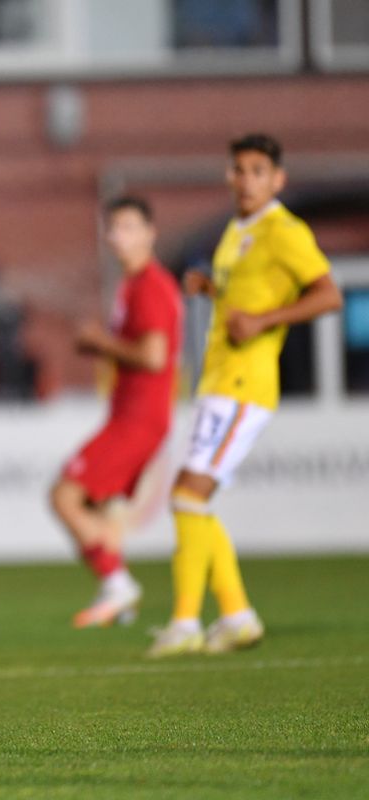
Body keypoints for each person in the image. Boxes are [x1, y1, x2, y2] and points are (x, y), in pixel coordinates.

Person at [148, 134, 343, 658]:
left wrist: (264, 320)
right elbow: (245, 297)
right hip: (218, 380)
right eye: (239, 169)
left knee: (189, 496)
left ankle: (189, 622)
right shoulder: (236, 230)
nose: (246, 179)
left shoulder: (285, 231)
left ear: (278, 179)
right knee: (190, 499)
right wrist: (211, 290)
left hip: (245, 383)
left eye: (258, 170)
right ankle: (234, 617)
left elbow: (328, 295)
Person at [51, 196, 181, 628]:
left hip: (139, 419)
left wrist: (98, 342)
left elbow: (154, 357)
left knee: (65, 496)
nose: (116, 237)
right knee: (98, 507)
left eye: (127, 227)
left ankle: (118, 584)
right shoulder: (133, 285)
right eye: (112, 228)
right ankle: (117, 597)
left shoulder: (150, 286)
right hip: (133, 416)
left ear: (150, 233)